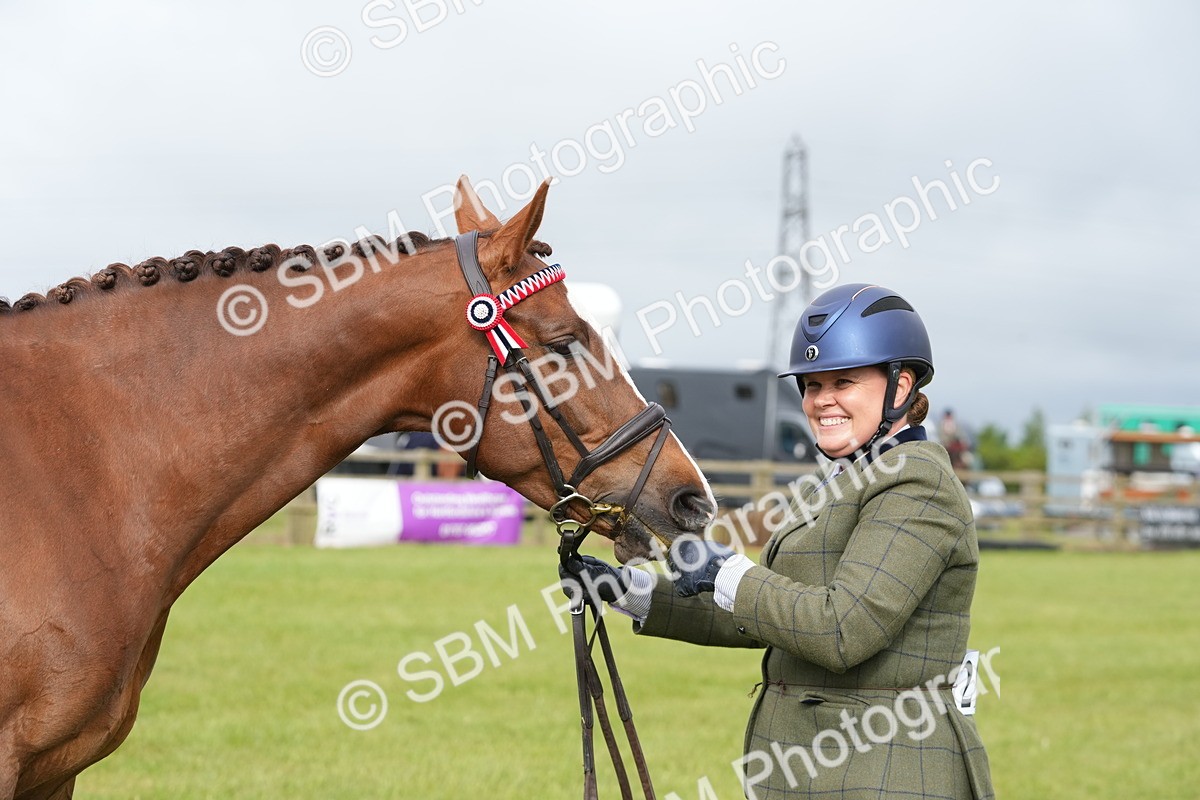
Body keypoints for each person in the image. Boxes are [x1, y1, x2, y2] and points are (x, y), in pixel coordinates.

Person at [562, 283, 993, 799]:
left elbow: (840, 629)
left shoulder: (917, 482)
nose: (821, 400)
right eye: (811, 385)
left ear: (901, 388)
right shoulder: (845, 479)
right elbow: (768, 615)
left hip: (886, 771)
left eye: (843, 382)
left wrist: (726, 572)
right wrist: (628, 591)